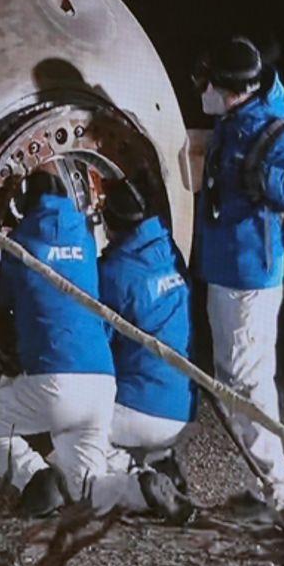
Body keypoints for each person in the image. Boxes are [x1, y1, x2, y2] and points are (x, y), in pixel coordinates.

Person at [193, 35, 284, 533]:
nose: (202, 90)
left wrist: (264, 182)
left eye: (207, 82)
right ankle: (262, 487)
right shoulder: (235, 120)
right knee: (233, 381)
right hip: (225, 271)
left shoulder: (269, 132)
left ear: (231, 90)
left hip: (250, 279)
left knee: (249, 387)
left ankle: (280, 493)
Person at [0, 166, 117, 518]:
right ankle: (140, 487)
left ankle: (35, 478)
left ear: (24, 206)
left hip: (56, 383)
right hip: (102, 381)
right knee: (87, 487)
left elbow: (2, 298)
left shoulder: (19, 244)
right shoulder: (85, 239)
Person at [98, 173, 197, 522]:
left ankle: (137, 483)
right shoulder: (170, 251)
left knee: (70, 424)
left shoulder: (114, 272)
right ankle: (160, 459)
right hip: (183, 409)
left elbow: (97, 345)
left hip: (142, 412)